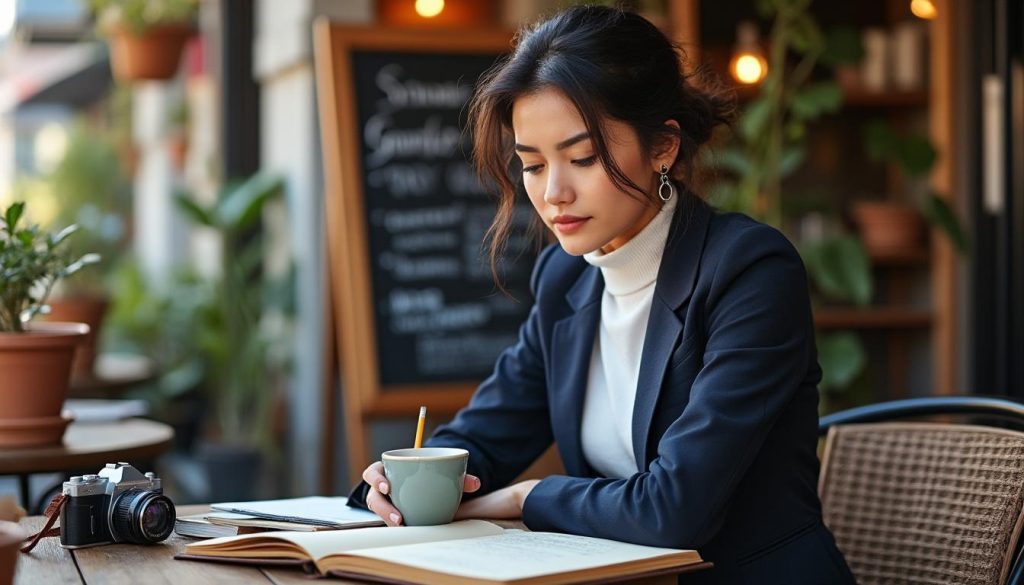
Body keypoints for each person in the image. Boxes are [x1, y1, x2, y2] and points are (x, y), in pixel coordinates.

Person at [349, 5, 855, 583]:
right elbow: (486, 436)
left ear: (663, 146)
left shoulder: (749, 271)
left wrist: (527, 497)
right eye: (532, 165)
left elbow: (673, 510)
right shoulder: (565, 279)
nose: (554, 193)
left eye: (583, 158)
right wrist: (400, 482)